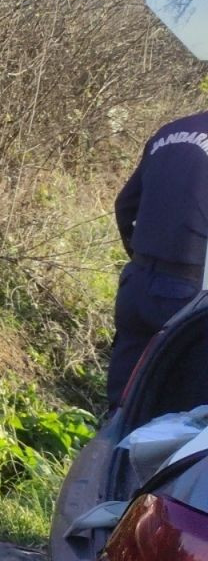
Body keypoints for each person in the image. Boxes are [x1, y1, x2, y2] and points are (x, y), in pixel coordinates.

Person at [110, 111, 208, 409]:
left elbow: (125, 206)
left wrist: (144, 262)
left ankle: (111, 452)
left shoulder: (171, 131)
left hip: (136, 284)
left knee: (122, 408)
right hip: (187, 296)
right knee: (182, 418)